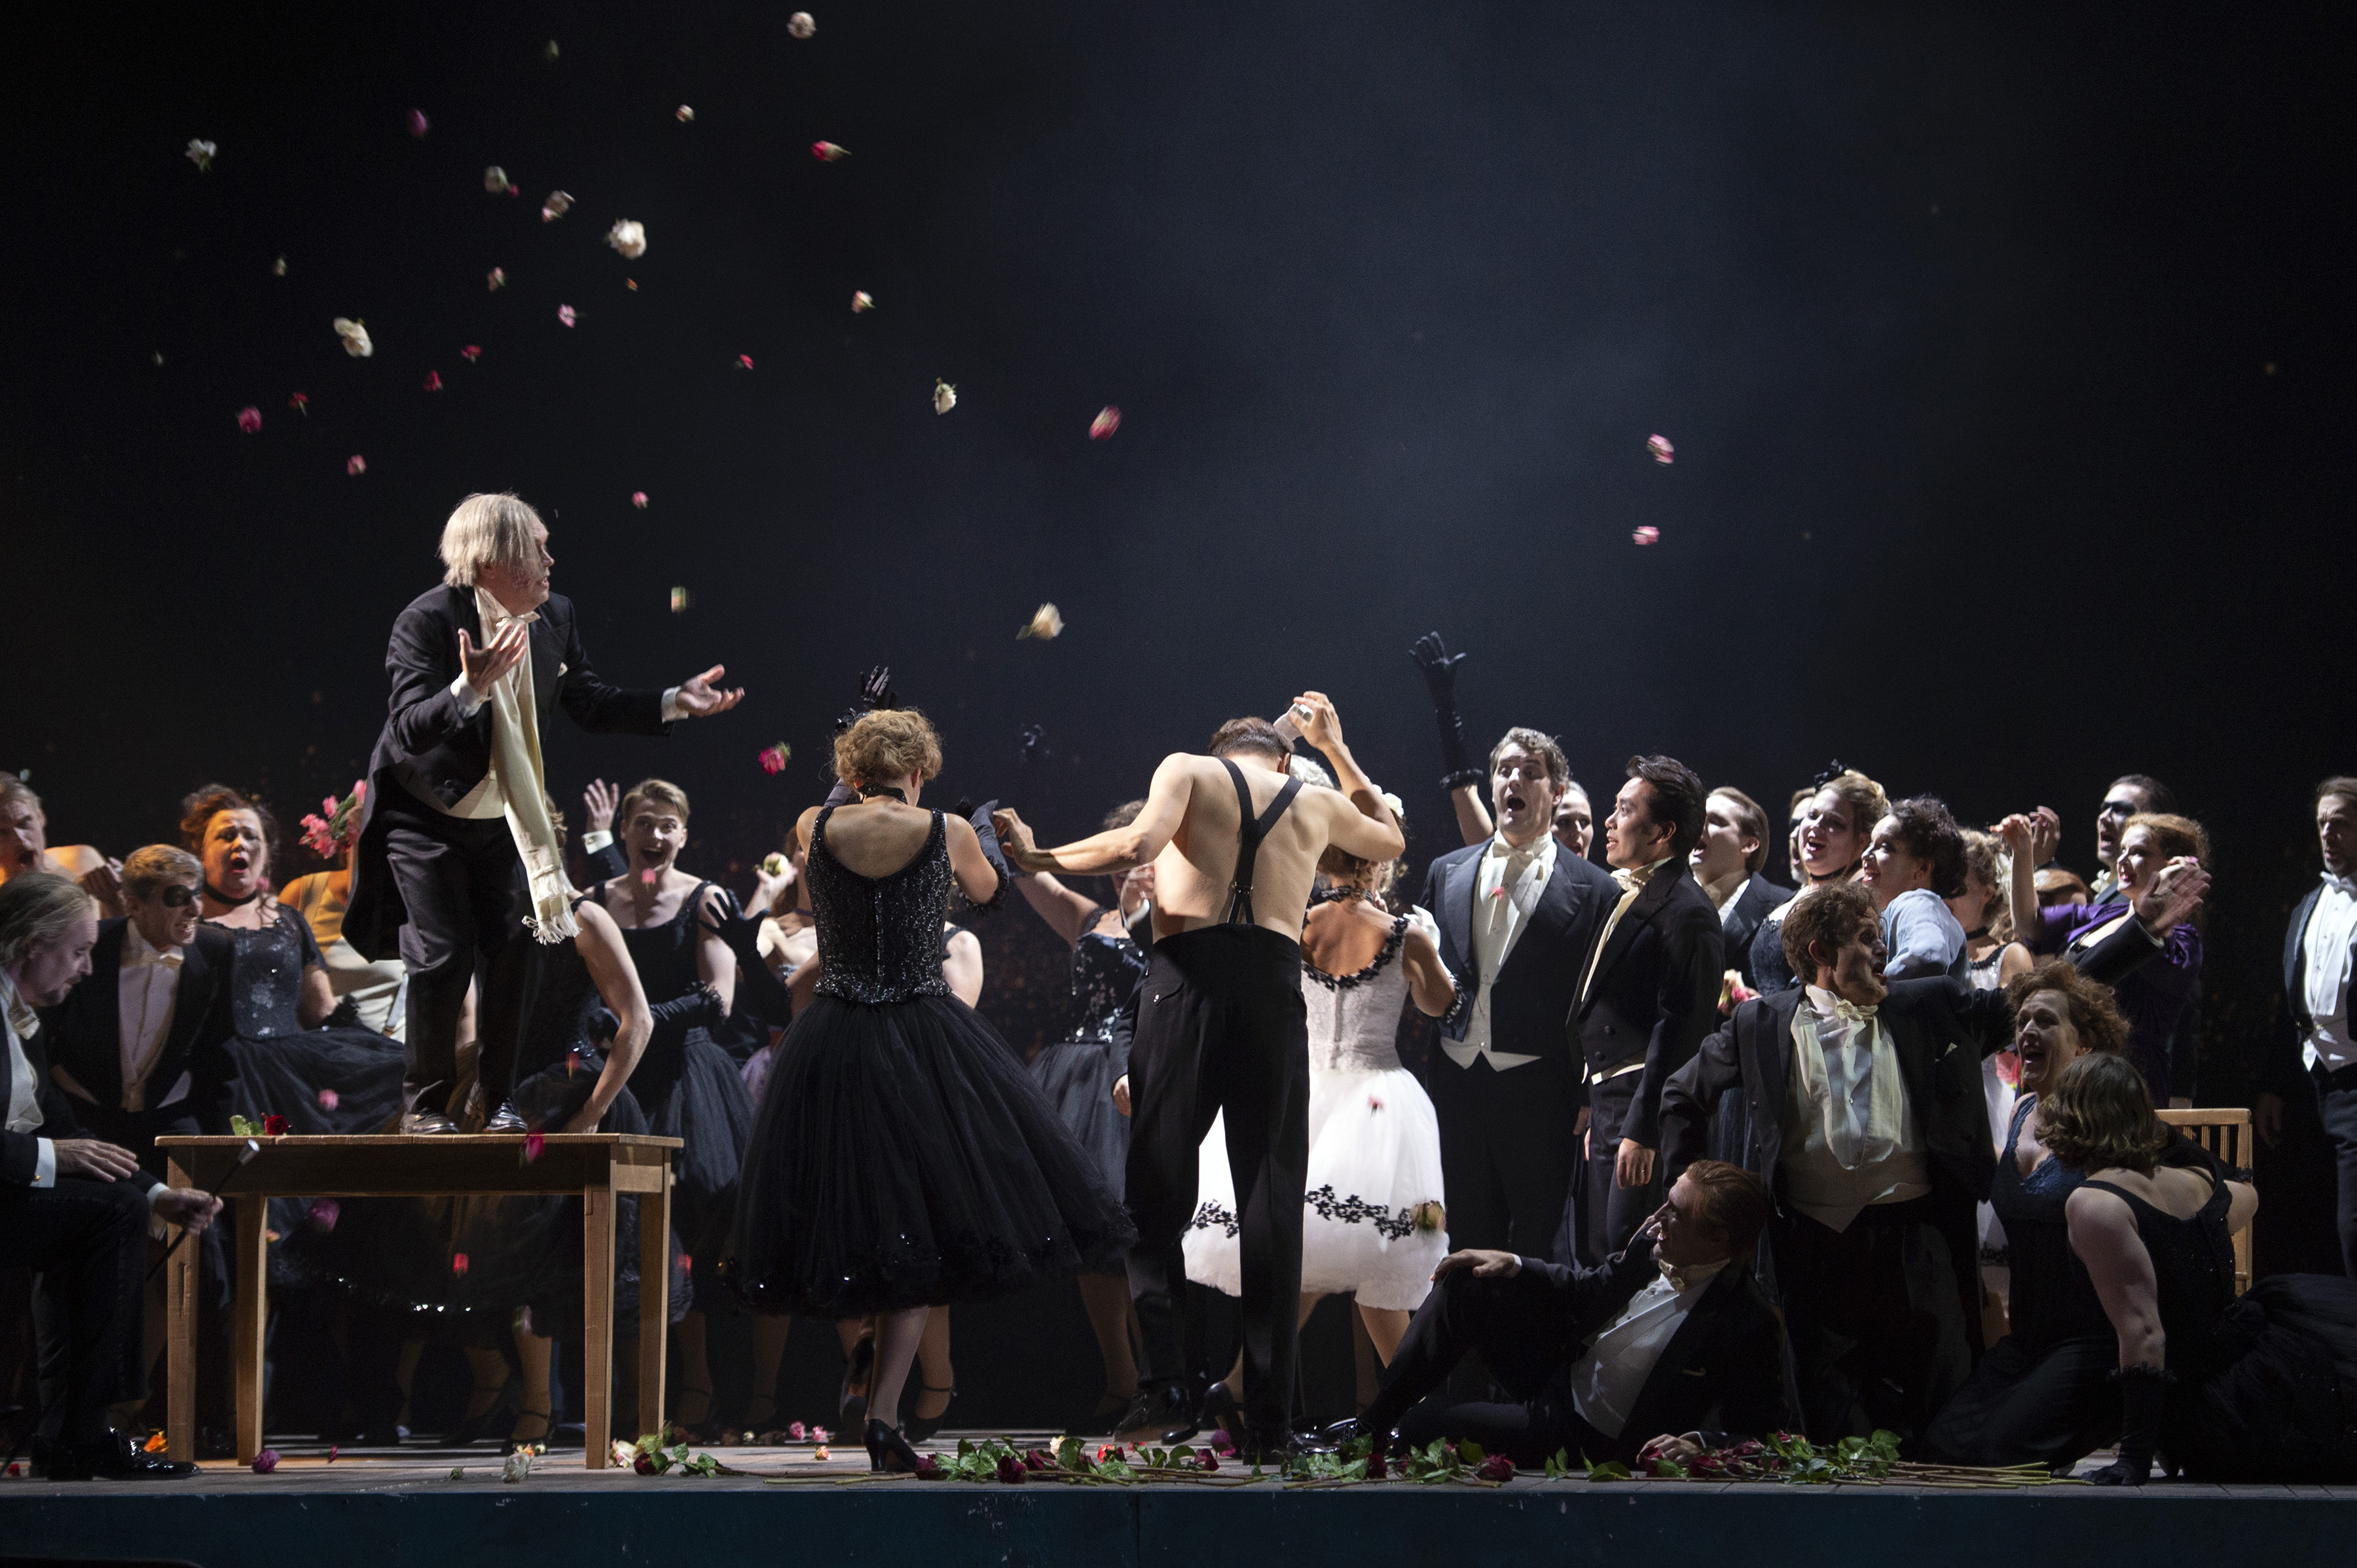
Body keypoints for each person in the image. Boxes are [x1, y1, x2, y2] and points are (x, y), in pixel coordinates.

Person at [993, 695, 1404, 1457]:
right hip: (1272, 993)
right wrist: (1337, 747)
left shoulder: (1188, 770)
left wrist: (1042, 857)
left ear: (1221, 752)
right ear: (1283, 757)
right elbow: (1388, 836)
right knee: (1271, 1205)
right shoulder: (1313, 799)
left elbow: (1136, 843)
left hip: (1184, 983)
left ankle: (1165, 1388)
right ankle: (1270, 1420)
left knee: (1157, 1195)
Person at [735, 709, 1133, 1472]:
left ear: (851, 771)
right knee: (919, 1225)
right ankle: (887, 1407)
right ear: (920, 770)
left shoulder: (815, 823)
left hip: (836, 1033)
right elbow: (987, 892)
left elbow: (823, 869)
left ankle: (859, 1376)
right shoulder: (944, 829)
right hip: (921, 1034)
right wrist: (982, 836)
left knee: (848, 1208)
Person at [343, 492, 744, 1135]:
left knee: (518, 951)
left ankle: (498, 1099)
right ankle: (425, 1106)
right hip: (426, 815)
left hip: (505, 817)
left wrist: (674, 700)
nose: (551, 560)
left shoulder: (555, 615)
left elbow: (591, 702)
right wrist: (469, 686)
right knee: (443, 953)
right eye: (537, 548)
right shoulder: (427, 620)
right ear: (492, 557)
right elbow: (410, 727)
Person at [1660, 883, 2017, 1442]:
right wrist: (1687, 1198)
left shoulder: (1928, 1004)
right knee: (1834, 1429)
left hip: (1915, 1241)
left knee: (1939, 1412)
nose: (1883, 949)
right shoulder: (1760, 1022)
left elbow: (2030, 1003)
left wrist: (2141, 932)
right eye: (1867, 937)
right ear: (1821, 952)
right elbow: (1683, 1093)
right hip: (1813, 1246)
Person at [1182, 800, 1456, 1415]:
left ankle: (1238, 1385)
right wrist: (1430, 950)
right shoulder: (1406, 933)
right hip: (1379, 1107)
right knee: (1382, 1260)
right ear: (1384, 856)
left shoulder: (1291, 924)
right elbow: (1441, 1005)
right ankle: (1418, 1409)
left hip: (1302, 1098)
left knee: (1304, 1253)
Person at [1332, 1161, 1795, 1468]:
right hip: (1558, 1372)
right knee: (1467, 1282)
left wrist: (1699, 1442)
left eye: (1676, 1213)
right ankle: (1368, 1428)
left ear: (1718, 1239)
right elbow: (1589, 1288)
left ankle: (1406, 1429)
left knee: (1423, 1426)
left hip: (1584, 1438)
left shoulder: (1746, 1321)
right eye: (1665, 1201)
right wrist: (1514, 1262)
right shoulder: (1656, 1242)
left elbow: (1763, 1434)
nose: (1657, 1218)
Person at [2, 872, 222, 1480]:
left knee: (117, 1206)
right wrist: (57, 1157)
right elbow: (57, 1145)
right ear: (31, 943)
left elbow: (60, 1123)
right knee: (109, 1213)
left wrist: (158, 1194)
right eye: (78, 951)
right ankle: (87, 1429)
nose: (86, 969)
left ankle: (70, 1433)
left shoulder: (22, 1016)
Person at [2055, 1052, 2357, 1484]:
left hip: (2210, 1402)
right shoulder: (2194, 1181)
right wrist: (2173, 1149)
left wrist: (2134, 1459)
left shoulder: (2094, 1202)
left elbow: (2146, 1332)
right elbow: (2248, 1196)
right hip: (2247, 1358)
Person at [1926, 962, 2146, 1468]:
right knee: (1943, 1445)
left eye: (2045, 1020)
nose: (2026, 1030)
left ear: (2084, 1044)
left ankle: (2099, 1416)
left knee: (2001, 1454)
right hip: (2027, 1340)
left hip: (2088, 1341)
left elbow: (2204, 1186)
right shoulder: (2022, 1109)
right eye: (2022, 1020)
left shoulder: (2108, 1117)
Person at [583, 778, 751, 1440]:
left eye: (667, 825)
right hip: (620, 1081)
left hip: (685, 1081)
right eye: (644, 823)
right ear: (624, 830)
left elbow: (720, 997)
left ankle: (697, 1385)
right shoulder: (597, 899)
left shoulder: (703, 899)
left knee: (688, 1235)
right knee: (619, 1236)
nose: (655, 835)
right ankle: (628, 1396)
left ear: (684, 834)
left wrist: (640, 1017)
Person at [1419, 729, 1615, 1272]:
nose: (1514, 781)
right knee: (1458, 1243)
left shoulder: (1597, 889)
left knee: (1535, 1249)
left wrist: (1587, 1091)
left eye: (1531, 772)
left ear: (1556, 790)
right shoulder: (1446, 870)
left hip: (1540, 1094)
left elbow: (1602, 1002)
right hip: (1456, 1085)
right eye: (1505, 770)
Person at [1007, 800, 1154, 1434]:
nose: (1124, 866)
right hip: (1077, 1080)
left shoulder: (1183, 918)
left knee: (1142, 1236)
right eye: (1116, 856)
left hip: (1139, 1079)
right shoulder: (1089, 916)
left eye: (1135, 853)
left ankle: (1161, 1382)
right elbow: (1026, 874)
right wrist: (1015, 837)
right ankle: (1121, 1378)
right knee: (1094, 1242)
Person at [1570, 757, 1723, 1266]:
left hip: (1643, 1105)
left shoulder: (1689, 909)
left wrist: (1643, 1128)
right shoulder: (1629, 892)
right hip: (1608, 1101)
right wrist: (1591, 1095)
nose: (1609, 821)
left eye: (1625, 809)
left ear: (1662, 831)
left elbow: (1681, 1027)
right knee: (1599, 1251)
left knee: (1630, 1253)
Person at [37, 847, 237, 1175]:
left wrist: (223, 1133)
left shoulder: (216, 949)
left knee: (195, 1201)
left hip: (170, 1113)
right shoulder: (91, 946)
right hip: (85, 1113)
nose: (196, 909)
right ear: (134, 905)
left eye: (197, 894)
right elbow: (43, 1029)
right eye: (178, 897)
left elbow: (219, 1046)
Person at [2001, 810, 2208, 1108]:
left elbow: (2115, 965)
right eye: (2123, 850)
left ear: (2172, 864)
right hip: (2064, 1073)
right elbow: (2029, 923)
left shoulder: (2181, 941)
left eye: (2139, 852)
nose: (2123, 860)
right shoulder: (2100, 913)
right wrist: (2023, 853)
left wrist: (2162, 901)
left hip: (2121, 1087)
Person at [2257, 777, 2357, 1279]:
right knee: (2304, 1225)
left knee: (2353, 1227)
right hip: (2307, 1085)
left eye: (2341, 822)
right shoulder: (2308, 905)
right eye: (2322, 823)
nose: (2328, 833)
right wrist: (2274, 1086)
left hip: (2355, 1085)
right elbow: (2290, 1010)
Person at [1952, 828, 2034, 1325]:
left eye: (1957, 884)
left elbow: (2015, 1046)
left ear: (1986, 890)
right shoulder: (1928, 952)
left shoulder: (2010, 955)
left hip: (1992, 1100)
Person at [277, 783, 407, 1038]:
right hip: (315, 1054)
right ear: (349, 837)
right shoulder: (303, 894)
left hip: (389, 1055)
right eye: (368, 832)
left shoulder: (412, 905)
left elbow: (462, 1009)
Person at [1748, 769, 1890, 995]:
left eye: (1835, 822)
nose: (1816, 826)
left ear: (1862, 840)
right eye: (1812, 816)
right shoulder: (1792, 898)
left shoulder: (1863, 909)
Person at [1859, 796, 1969, 981]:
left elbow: (1927, 957)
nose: (1865, 854)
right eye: (1871, 844)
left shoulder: (1918, 903)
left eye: (1885, 847)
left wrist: (1872, 990)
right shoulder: (1929, 910)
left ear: (1923, 868)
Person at [1692, 786, 1785, 990]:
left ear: (1749, 845)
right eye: (1698, 818)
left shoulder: (1783, 905)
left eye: (1715, 821)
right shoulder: (1667, 897)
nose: (1699, 826)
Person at [1, 776, 122, 916]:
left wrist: (114, 900)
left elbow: (125, 928)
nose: (22, 841)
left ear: (40, 817)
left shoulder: (82, 860)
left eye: (24, 823)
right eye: (3, 832)